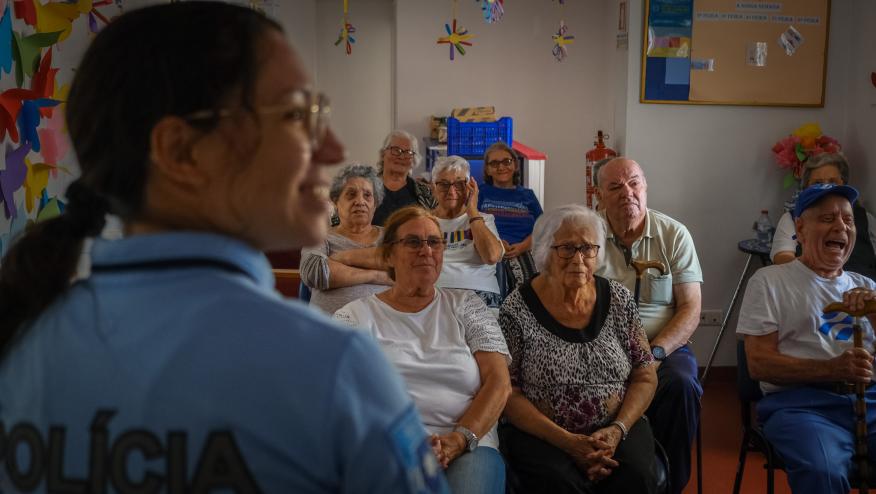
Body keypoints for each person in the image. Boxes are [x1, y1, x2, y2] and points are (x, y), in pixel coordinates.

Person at [0, 4, 447, 493]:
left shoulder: (24, 346)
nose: (332, 149)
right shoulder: (332, 370)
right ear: (182, 150)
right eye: (297, 116)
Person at [334, 206, 511, 494]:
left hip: (470, 443)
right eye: (413, 242)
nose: (426, 250)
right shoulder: (354, 316)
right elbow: (340, 395)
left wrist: (458, 440)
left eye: (434, 242)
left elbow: (499, 383)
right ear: (388, 255)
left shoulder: (468, 306)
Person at [499, 204, 659, 493]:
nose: (578, 259)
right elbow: (508, 392)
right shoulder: (516, 308)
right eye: (566, 248)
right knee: (561, 483)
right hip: (544, 434)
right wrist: (569, 443)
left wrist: (617, 430)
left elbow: (645, 375)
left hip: (617, 426)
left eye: (587, 248)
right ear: (544, 251)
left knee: (636, 476)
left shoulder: (619, 299)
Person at [737, 183, 876, 494]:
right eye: (828, 219)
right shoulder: (770, 282)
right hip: (801, 405)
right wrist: (833, 369)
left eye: (848, 220)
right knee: (823, 470)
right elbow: (759, 364)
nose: (841, 227)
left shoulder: (867, 286)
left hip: (869, 400)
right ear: (800, 229)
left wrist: (874, 315)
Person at [594, 157, 703, 494]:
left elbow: (690, 309)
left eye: (634, 183)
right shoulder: (587, 234)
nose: (627, 192)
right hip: (601, 347)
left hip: (663, 346)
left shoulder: (674, 234)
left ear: (645, 187)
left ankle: (670, 484)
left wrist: (654, 354)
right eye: (615, 186)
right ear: (599, 195)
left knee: (682, 385)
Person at [301, 163, 392, 314]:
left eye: (367, 195)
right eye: (351, 194)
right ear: (335, 202)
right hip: (330, 324)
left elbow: (404, 265)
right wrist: (377, 275)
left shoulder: (391, 235)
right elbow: (315, 272)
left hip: (384, 324)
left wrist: (341, 258)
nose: (360, 201)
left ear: (375, 204)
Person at [770, 152, 876, 280]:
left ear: (843, 184)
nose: (826, 188)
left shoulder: (865, 218)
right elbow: (782, 258)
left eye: (833, 181)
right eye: (818, 183)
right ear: (806, 188)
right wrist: (824, 282)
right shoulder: (791, 219)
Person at [431, 155, 505, 309]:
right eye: (443, 184)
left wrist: (472, 211)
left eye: (459, 184)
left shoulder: (483, 219)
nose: (451, 191)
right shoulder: (423, 222)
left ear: (470, 187)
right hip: (435, 294)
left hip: (480, 294)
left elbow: (492, 256)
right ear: (433, 188)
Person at [478, 141, 543, 286]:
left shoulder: (528, 195)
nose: (501, 167)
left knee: (531, 286)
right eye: (494, 163)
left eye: (506, 161)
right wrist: (496, 244)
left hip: (524, 252)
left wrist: (523, 246)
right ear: (487, 169)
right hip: (489, 251)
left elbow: (543, 228)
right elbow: (472, 224)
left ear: (515, 165)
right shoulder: (480, 192)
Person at [371, 129, 437, 226]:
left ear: (414, 160)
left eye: (408, 152)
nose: (401, 157)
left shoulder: (425, 192)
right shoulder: (366, 188)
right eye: (395, 150)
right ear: (383, 153)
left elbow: (433, 225)